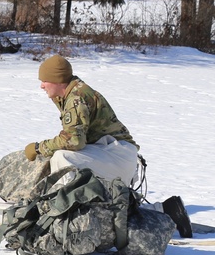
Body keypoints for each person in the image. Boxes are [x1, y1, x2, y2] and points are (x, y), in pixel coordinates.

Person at [23, 55, 140, 185]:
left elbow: (74, 141)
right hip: (115, 154)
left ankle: (64, 202)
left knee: (62, 157)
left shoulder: (76, 99)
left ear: (58, 80)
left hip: (118, 157)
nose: (42, 86)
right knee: (59, 153)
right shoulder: (72, 93)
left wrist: (38, 148)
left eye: (45, 80)